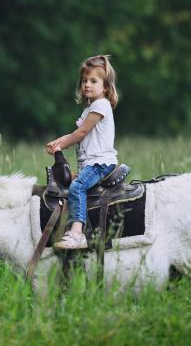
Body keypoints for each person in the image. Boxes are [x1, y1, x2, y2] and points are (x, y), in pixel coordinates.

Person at [45, 55, 119, 249]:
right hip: (91, 163)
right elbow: (76, 133)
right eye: (85, 80)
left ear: (105, 87)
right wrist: (59, 142)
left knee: (77, 187)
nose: (87, 84)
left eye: (94, 81)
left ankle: (77, 233)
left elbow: (82, 132)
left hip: (101, 162)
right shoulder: (90, 108)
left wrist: (64, 144)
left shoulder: (101, 105)